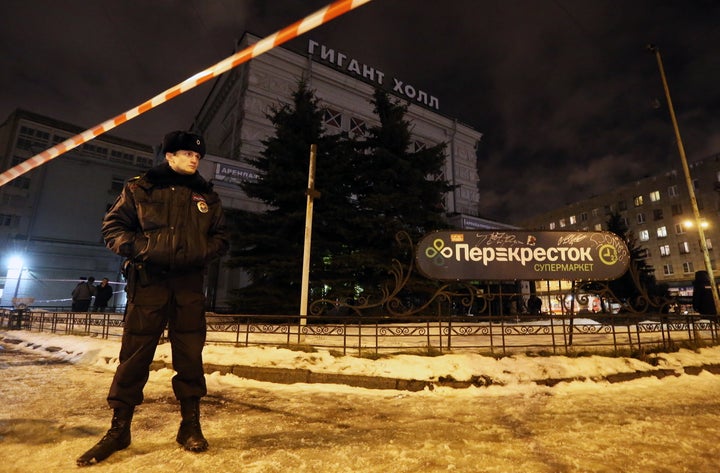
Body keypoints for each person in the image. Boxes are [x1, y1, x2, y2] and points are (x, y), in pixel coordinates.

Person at [77, 131, 229, 466]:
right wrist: (145, 249)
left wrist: (201, 251)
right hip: (149, 283)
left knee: (190, 355)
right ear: (170, 156)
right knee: (134, 355)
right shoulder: (139, 188)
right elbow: (113, 228)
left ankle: (190, 426)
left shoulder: (206, 196)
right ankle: (119, 429)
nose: (194, 160)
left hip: (189, 286)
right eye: (188, 153)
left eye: (198, 156)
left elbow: (221, 238)